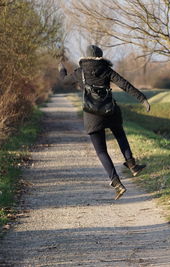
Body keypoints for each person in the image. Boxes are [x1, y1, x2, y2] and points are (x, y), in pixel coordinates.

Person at [58, 45, 150, 200]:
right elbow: (124, 84)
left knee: (101, 151)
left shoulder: (80, 72)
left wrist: (61, 69)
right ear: (100, 57)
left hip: (92, 114)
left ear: (86, 57)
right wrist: (142, 99)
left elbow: (64, 81)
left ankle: (116, 183)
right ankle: (132, 165)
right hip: (110, 111)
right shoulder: (106, 70)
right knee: (120, 135)